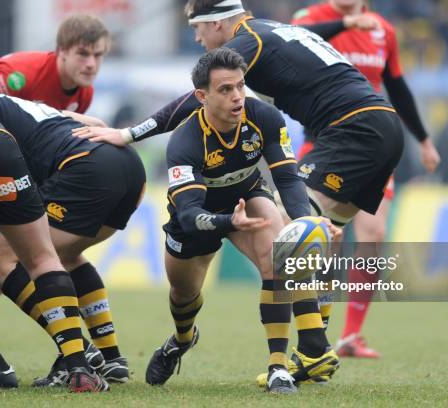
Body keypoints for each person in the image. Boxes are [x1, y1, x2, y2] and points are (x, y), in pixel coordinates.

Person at [74, 0, 404, 385]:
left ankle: (312, 348)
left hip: (352, 130)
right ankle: (313, 350)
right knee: (316, 236)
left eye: (198, 28)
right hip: (383, 126)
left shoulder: (247, 42)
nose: (198, 38)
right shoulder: (273, 31)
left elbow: (192, 97)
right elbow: (311, 41)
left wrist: (128, 133)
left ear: (216, 24)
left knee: (291, 237)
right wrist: (344, 21)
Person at [125, 48, 339, 393]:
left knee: (278, 258)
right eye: (225, 89)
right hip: (197, 218)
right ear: (202, 96)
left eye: (239, 86)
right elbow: (191, 214)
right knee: (183, 295)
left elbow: (287, 179)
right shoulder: (184, 142)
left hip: (247, 195)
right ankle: (181, 340)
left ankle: (278, 368)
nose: (237, 96)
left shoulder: (264, 117)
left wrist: (307, 222)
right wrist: (228, 222)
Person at [0, 83, 145, 386]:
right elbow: (95, 124)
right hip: (127, 165)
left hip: (85, 166)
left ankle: (77, 354)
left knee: (0, 259)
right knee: (62, 256)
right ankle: (112, 359)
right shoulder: (31, 112)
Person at [0, 13, 110, 339]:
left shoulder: (83, 92)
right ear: (61, 51)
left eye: (98, 55)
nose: (91, 64)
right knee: (0, 263)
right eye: (84, 54)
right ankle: (78, 349)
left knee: (8, 266)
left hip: (11, 179)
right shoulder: (17, 75)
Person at [291, 0, 441, 358]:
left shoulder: (383, 30)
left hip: (372, 148)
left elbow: (397, 85)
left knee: (374, 234)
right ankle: (312, 329)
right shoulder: (310, 19)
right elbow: (289, 44)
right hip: (324, 143)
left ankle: (351, 335)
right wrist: (345, 24)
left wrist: (423, 139)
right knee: (320, 236)